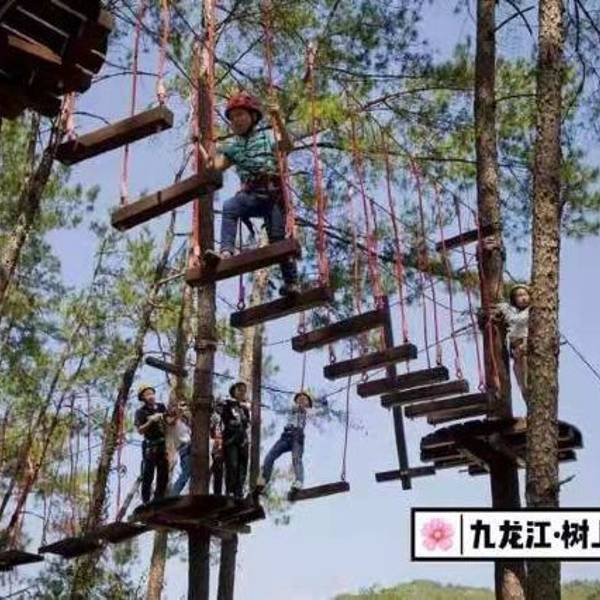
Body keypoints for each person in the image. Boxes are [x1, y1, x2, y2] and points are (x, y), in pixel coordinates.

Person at [204, 91, 299, 296]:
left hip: (273, 195)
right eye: (233, 118)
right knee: (230, 207)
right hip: (252, 195)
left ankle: (291, 283)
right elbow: (215, 167)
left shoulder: (267, 137)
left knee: (278, 239)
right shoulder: (234, 148)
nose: (236, 121)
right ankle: (226, 251)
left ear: (253, 117)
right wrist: (208, 153)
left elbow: (287, 146)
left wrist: (277, 119)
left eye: (240, 115)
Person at [255, 391, 313, 495]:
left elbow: (318, 411)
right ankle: (263, 480)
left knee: (297, 459)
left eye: (304, 399)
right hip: (286, 436)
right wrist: (263, 405)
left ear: (308, 404)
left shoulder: (308, 412)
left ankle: (299, 481)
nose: (301, 400)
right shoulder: (291, 409)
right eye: (299, 399)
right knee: (270, 456)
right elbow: (279, 409)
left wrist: (322, 402)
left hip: (297, 437)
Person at [492, 284, 531, 403]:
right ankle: (529, 408)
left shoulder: (531, 311)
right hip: (516, 353)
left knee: (528, 384)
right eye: (519, 296)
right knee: (523, 387)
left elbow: (517, 320)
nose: (523, 298)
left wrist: (505, 309)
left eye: (525, 295)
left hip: (526, 350)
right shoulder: (515, 312)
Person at [134, 384, 169, 504]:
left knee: (163, 475)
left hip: (163, 444)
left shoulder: (161, 407)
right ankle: (146, 502)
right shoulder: (141, 412)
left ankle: (158, 500)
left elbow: (168, 421)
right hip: (150, 446)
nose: (151, 396)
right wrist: (150, 421)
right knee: (148, 475)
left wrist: (175, 414)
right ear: (143, 398)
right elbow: (140, 430)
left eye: (152, 393)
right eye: (147, 394)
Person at [217, 382, 251, 499]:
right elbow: (219, 410)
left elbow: (246, 423)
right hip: (230, 438)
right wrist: (236, 404)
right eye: (239, 390)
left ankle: (239, 492)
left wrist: (244, 408)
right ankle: (230, 491)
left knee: (243, 466)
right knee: (232, 464)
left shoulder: (245, 408)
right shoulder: (227, 403)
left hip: (243, 439)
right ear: (234, 391)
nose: (242, 392)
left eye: (244, 390)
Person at [165, 398, 191, 496]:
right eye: (181, 405)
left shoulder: (186, 422)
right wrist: (178, 413)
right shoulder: (172, 419)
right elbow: (171, 422)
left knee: (189, 474)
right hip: (184, 447)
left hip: (190, 446)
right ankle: (173, 494)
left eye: (185, 405)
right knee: (185, 474)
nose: (184, 408)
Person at [210, 406, 224, 495]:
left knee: (219, 472)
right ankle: (216, 493)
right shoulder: (215, 418)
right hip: (216, 448)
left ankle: (218, 493)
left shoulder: (223, 419)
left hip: (222, 448)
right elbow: (212, 432)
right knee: (217, 471)